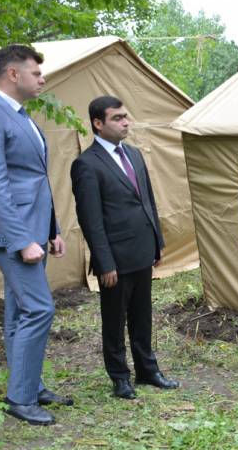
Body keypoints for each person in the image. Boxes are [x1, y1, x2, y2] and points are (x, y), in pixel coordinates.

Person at [0, 44, 71, 426]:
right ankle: (20, 399)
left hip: (33, 228)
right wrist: (21, 239)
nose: (42, 79)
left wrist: (52, 230)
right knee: (39, 309)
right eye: (36, 73)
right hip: (12, 232)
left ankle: (30, 385)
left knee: (21, 309)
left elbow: (34, 180)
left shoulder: (23, 117)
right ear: (13, 74)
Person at [71, 96, 179, 399]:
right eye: (117, 118)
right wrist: (104, 262)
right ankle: (120, 377)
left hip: (142, 251)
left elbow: (148, 201)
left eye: (125, 117)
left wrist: (156, 242)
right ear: (98, 123)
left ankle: (148, 370)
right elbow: (91, 220)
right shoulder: (87, 164)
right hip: (115, 259)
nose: (125, 122)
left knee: (142, 316)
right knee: (115, 320)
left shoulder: (133, 154)